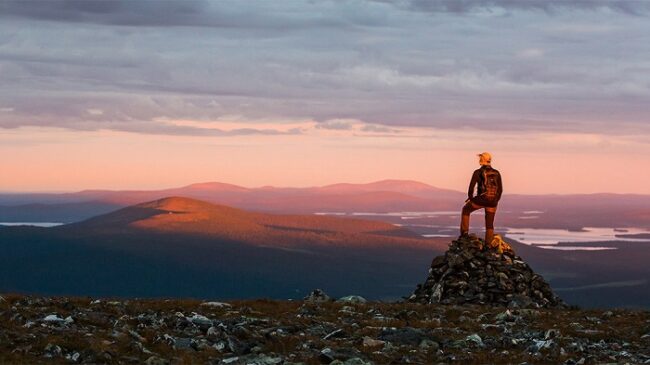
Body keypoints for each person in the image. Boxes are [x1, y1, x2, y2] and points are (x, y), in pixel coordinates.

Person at [460, 152, 503, 245]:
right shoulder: (497, 173)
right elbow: (500, 189)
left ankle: (464, 234)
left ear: (481, 160)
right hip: (493, 201)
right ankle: (489, 244)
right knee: (489, 222)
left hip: (481, 199)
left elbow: (471, 188)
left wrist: (472, 199)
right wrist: (495, 201)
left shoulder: (477, 172)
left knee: (466, 210)